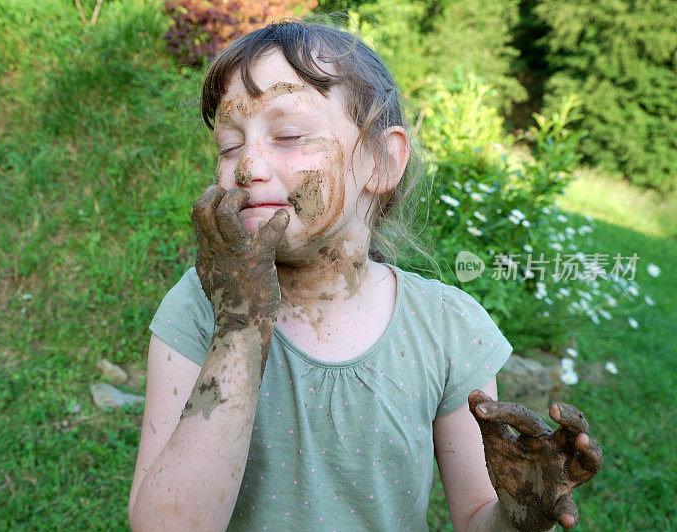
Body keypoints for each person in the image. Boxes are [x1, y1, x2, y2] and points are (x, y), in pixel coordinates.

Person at [129, 20, 602, 531]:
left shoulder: (445, 328)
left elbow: (474, 519)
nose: (247, 166)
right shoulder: (199, 308)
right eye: (228, 145)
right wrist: (239, 323)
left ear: (381, 161)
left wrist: (518, 515)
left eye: (287, 134)